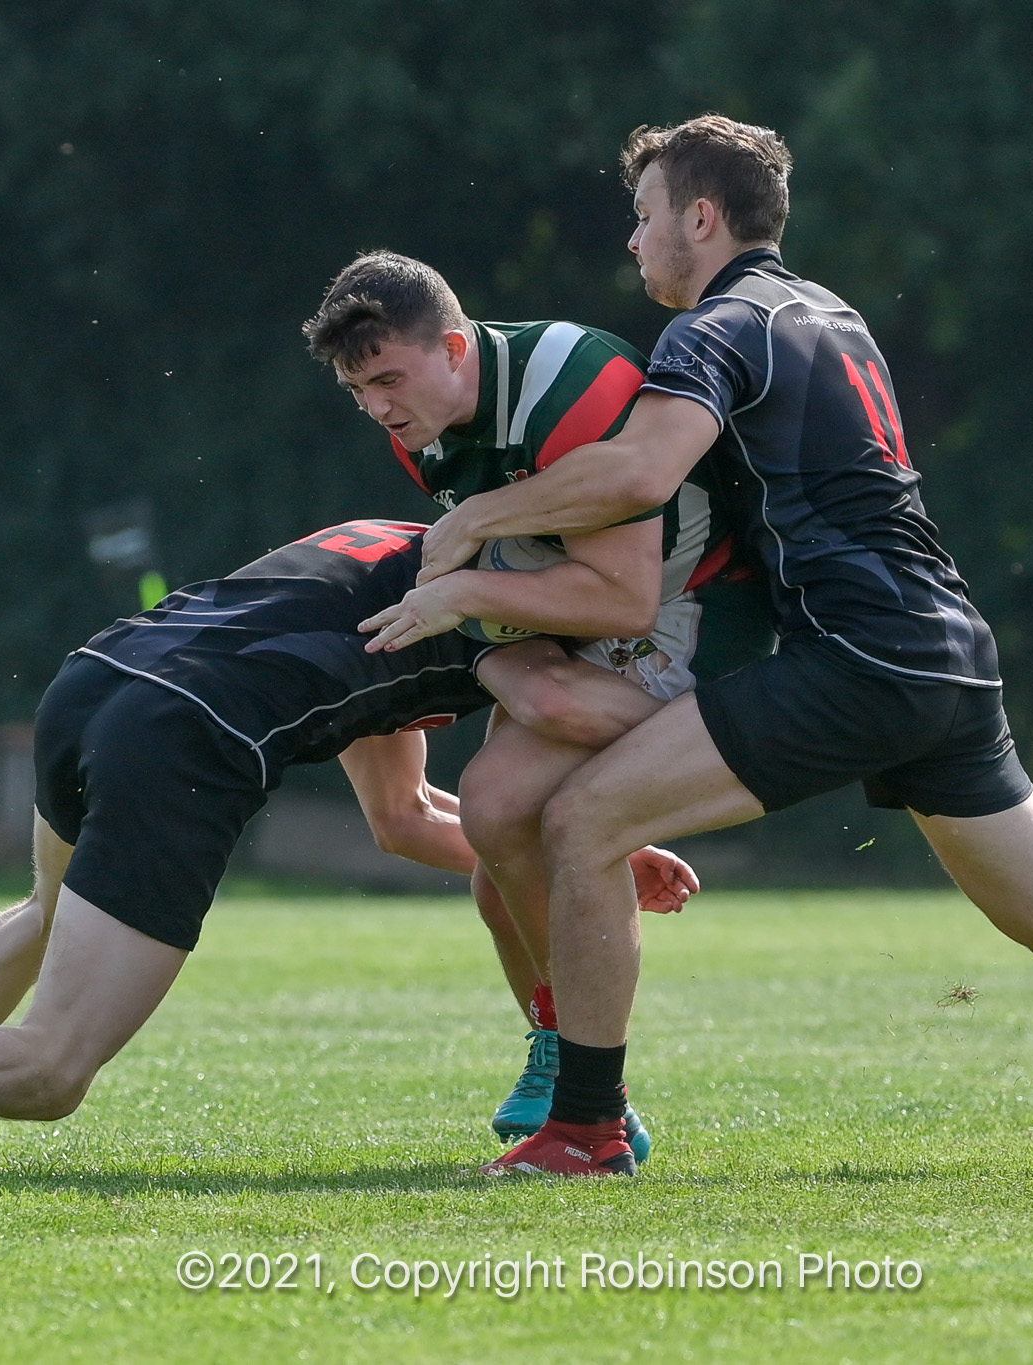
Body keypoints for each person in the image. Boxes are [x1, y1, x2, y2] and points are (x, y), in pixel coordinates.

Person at [401, 115, 1033, 1177]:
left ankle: (585, 1129)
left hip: (857, 656)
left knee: (580, 819)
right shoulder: (830, 313)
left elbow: (640, 473)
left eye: (644, 216)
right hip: (946, 650)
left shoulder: (713, 328)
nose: (633, 241)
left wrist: (474, 521)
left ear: (700, 219)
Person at [0, 521, 696, 1177]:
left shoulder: (405, 549)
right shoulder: (503, 618)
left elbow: (400, 814)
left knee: (43, 910)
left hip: (100, 676)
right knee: (52, 1069)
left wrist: (539, 849)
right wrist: (577, 843)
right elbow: (457, 799)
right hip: (181, 739)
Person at [300, 252, 770, 1150]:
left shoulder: (567, 381)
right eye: (359, 389)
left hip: (698, 610)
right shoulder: (420, 432)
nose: (379, 408)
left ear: (452, 344)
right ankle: (572, 1065)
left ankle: (580, 1076)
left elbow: (623, 600)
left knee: (509, 798)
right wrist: (490, 641)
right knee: (493, 837)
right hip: (597, 616)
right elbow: (533, 568)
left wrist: (471, 596)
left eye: (390, 378)